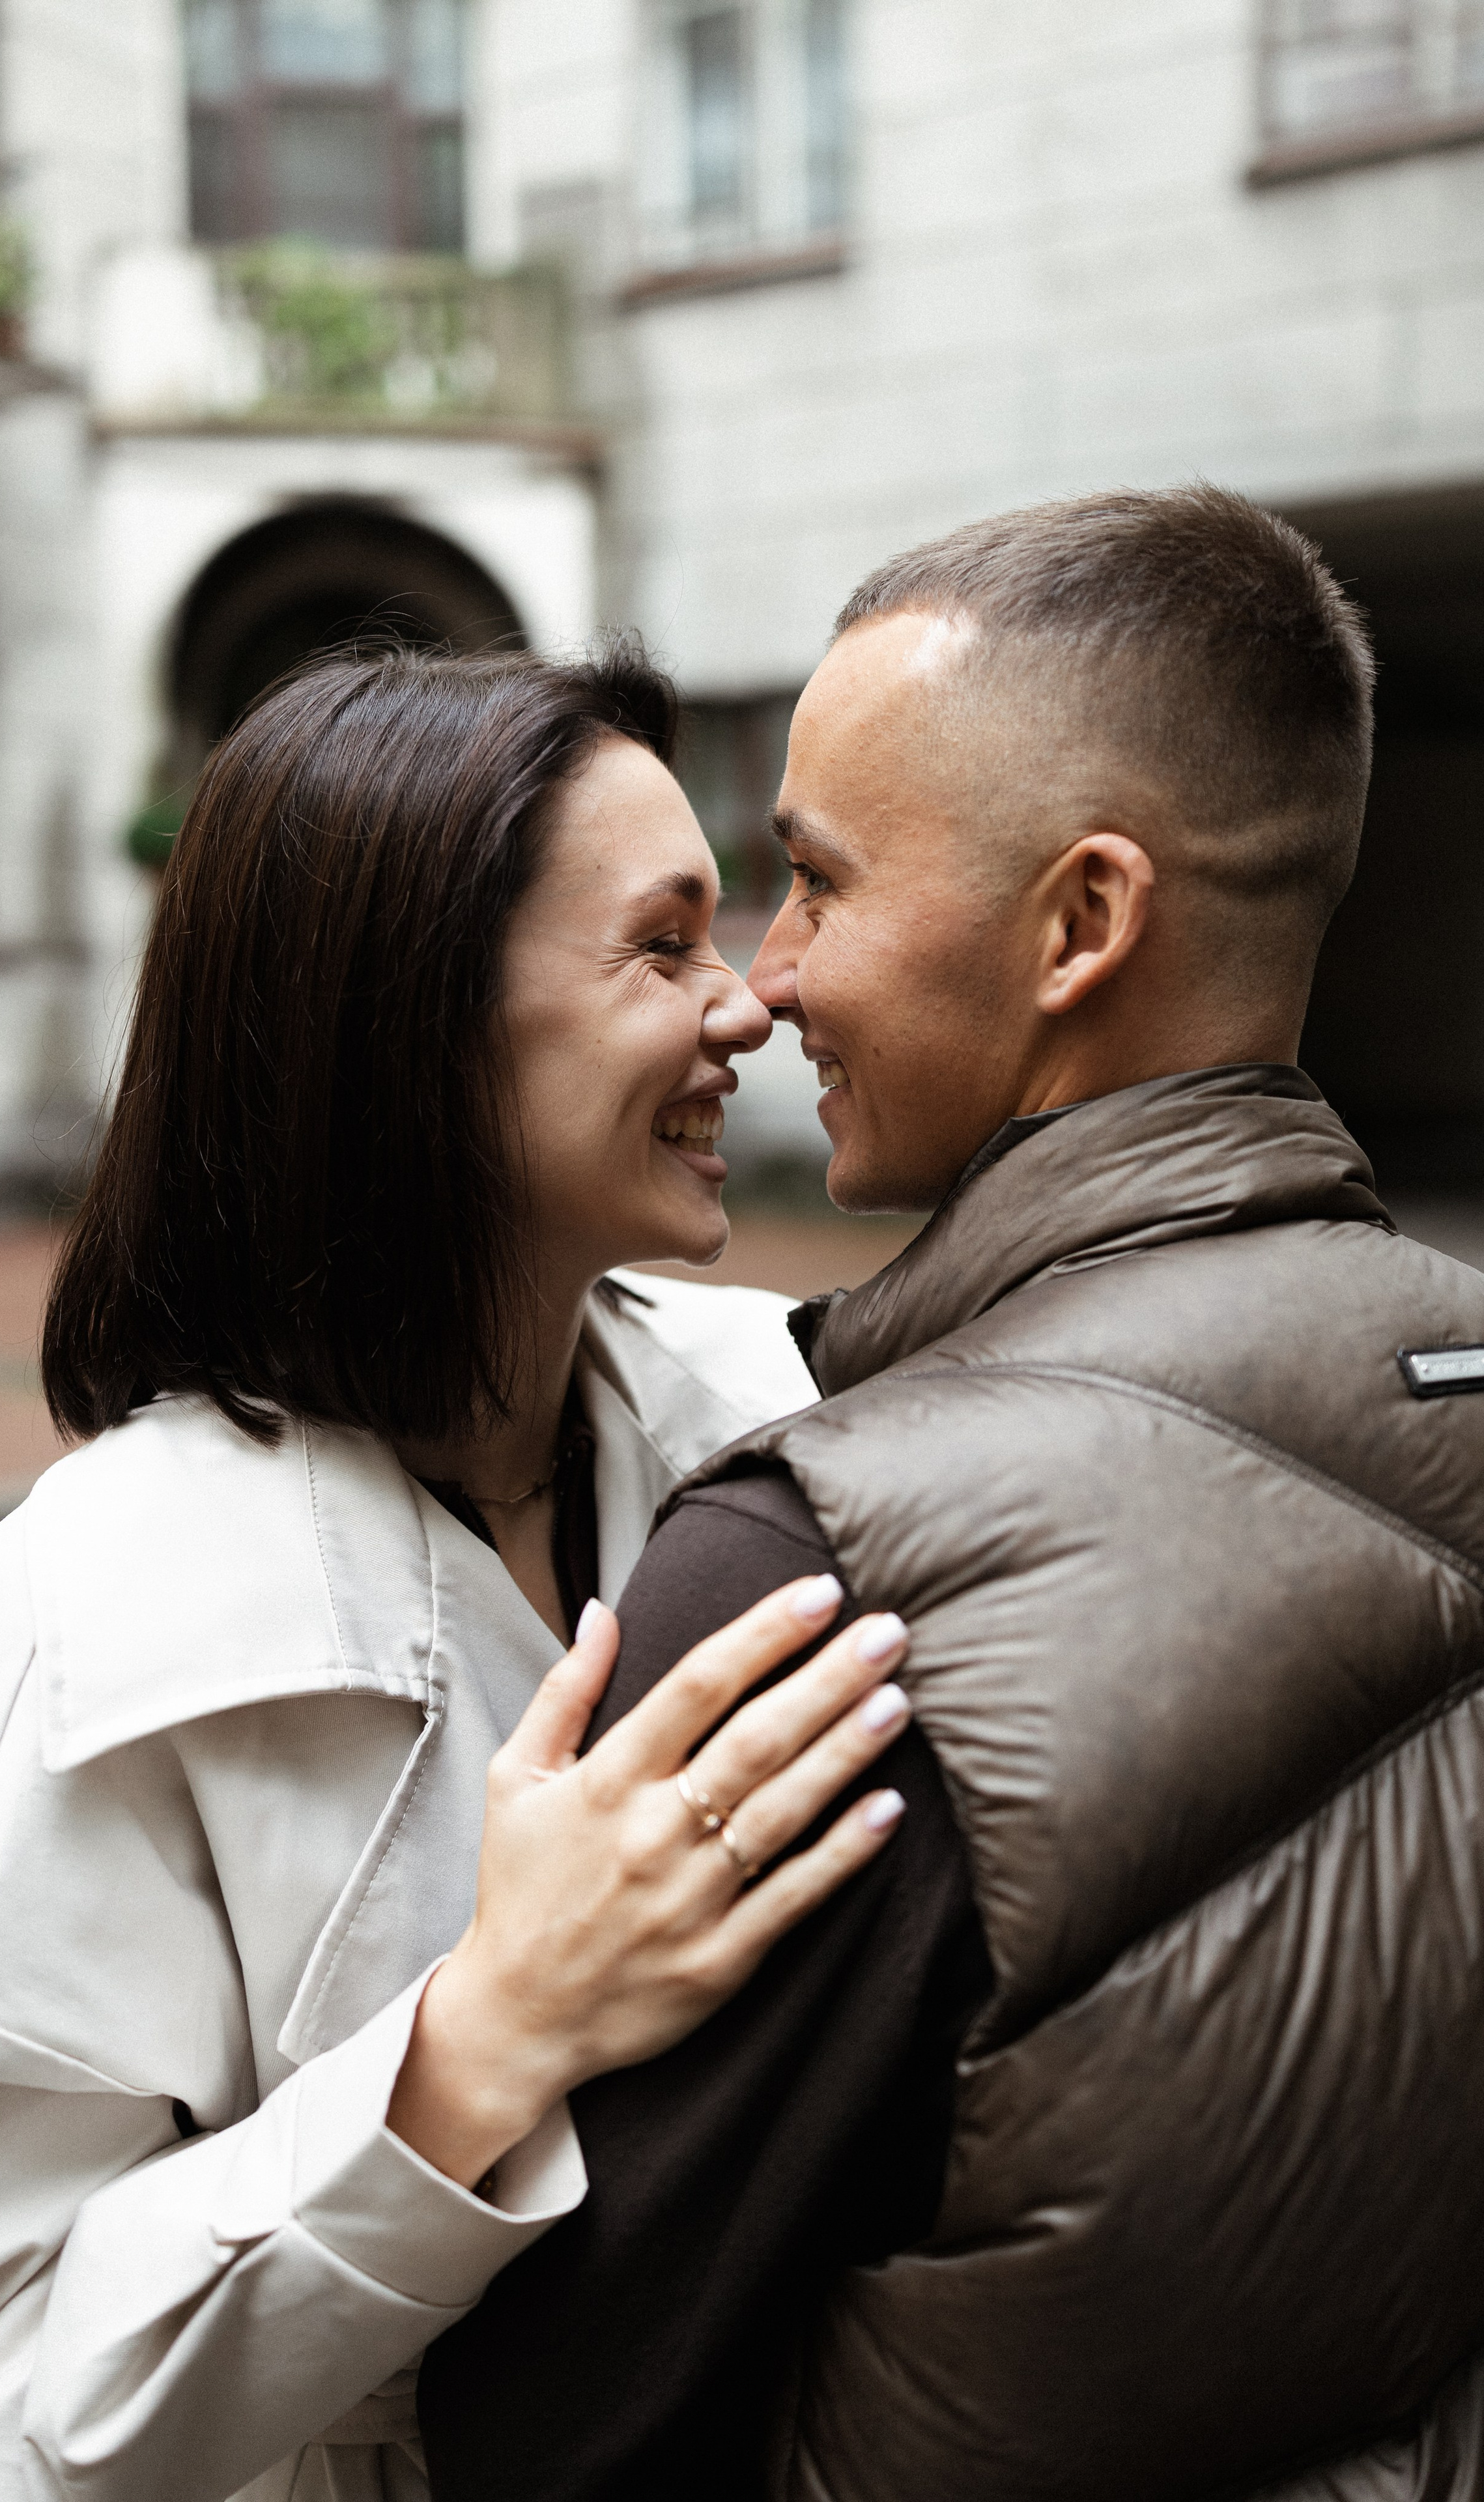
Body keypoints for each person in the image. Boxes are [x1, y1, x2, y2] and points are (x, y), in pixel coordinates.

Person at [418, 487, 1484, 2502]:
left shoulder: (825, 1572)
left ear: (1082, 923)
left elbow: (554, 2420)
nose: (768, 982)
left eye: (813, 883)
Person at [0, 644, 925, 2502]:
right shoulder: (88, 1612)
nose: (747, 1004)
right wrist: (480, 2045)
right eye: (663, 947)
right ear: (414, 1024)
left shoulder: (796, 1405)